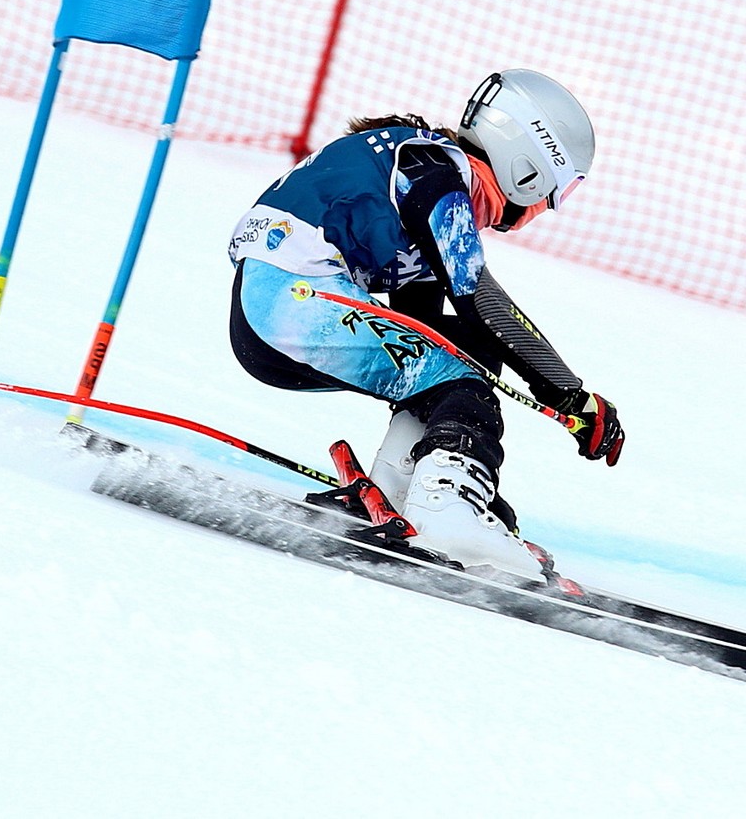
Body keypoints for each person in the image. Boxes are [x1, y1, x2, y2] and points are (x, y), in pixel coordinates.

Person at [225, 68, 623, 578]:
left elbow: (429, 329)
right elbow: (482, 298)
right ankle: (445, 512)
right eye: (556, 193)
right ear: (528, 171)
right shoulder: (436, 177)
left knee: (458, 360)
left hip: (274, 309)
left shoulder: (419, 164)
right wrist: (572, 396)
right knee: (461, 372)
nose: (545, 209)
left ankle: (401, 491)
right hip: (292, 303)